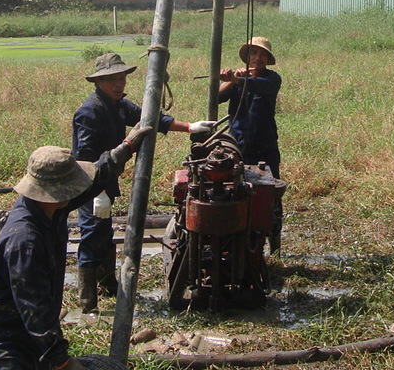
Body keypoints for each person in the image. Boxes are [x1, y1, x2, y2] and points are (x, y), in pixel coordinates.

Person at [0, 135, 147, 370]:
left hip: (32, 326)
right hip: (2, 331)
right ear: (58, 190)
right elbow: (34, 309)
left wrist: (126, 148)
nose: (75, 191)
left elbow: (92, 181)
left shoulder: (50, 208)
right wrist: (62, 361)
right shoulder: (24, 240)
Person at [72, 52, 213, 313]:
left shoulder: (120, 105)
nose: (119, 84)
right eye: (112, 79)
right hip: (91, 186)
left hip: (107, 179)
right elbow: (86, 160)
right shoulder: (90, 112)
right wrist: (98, 192)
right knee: (92, 234)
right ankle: (87, 302)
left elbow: (153, 119)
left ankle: (108, 284)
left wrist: (191, 127)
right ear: (98, 82)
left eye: (122, 78)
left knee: (103, 234)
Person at [218, 35, 283, 253]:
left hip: (265, 145)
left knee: (271, 193)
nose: (257, 58)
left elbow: (258, 86)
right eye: (253, 53)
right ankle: (240, 240)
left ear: (268, 59)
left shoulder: (272, 79)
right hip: (238, 145)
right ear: (247, 56)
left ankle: (274, 240)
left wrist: (238, 80)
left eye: (262, 54)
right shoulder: (238, 78)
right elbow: (216, 97)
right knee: (236, 190)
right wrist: (229, 79)